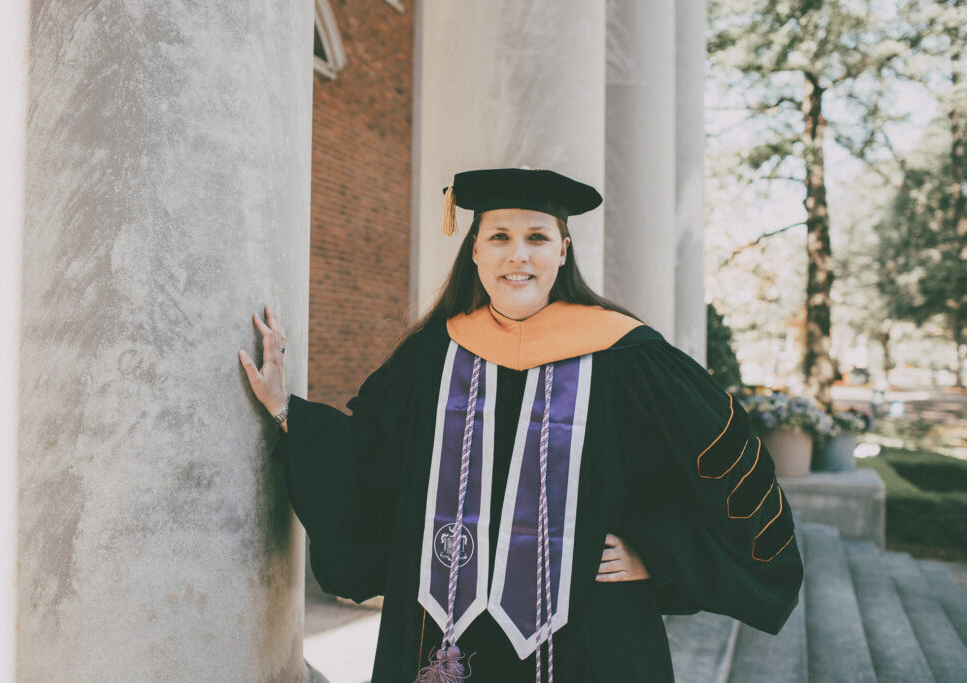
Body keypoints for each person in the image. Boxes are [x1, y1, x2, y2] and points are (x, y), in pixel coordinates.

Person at [240, 168, 803, 682]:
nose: (518, 256)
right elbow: (369, 460)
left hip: (592, 634)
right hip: (446, 641)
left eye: (536, 238)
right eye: (500, 238)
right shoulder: (432, 356)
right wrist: (287, 409)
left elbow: (723, 470)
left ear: (563, 250)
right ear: (476, 253)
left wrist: (661, 553)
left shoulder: (629, 357)